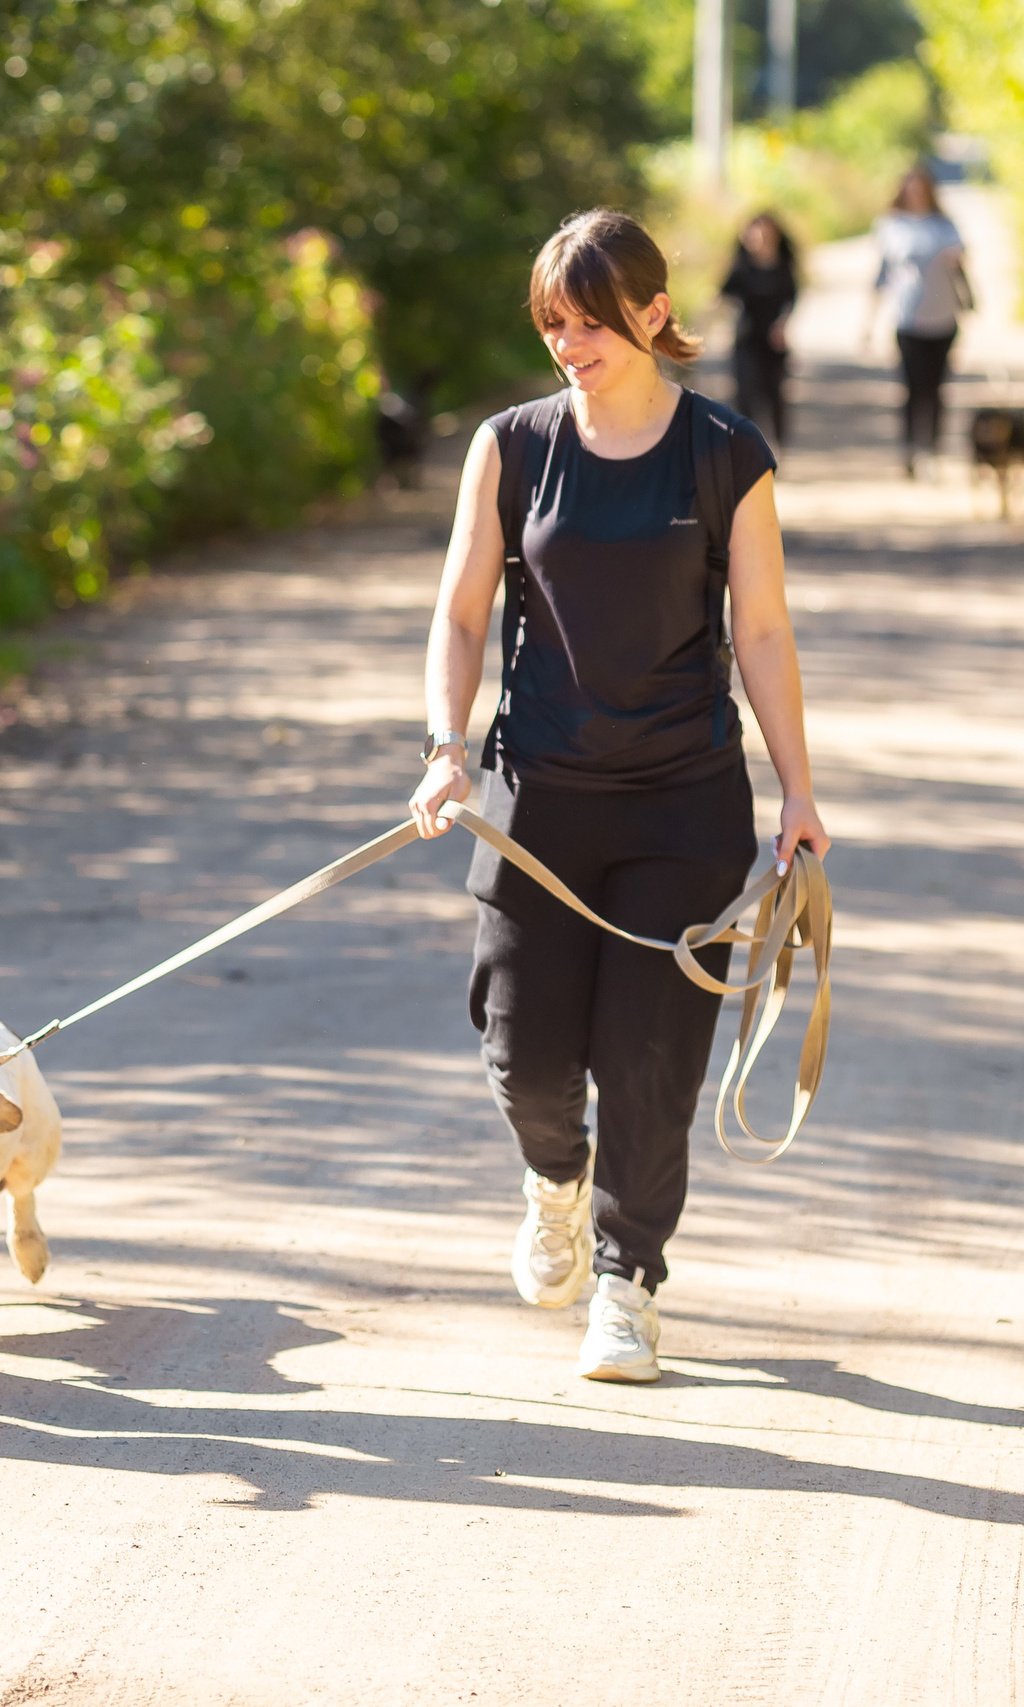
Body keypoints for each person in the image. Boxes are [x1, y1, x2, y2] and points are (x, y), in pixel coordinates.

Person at [410, 208, 830, 1383]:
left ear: (651, 312)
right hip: (538, 800)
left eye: (590, 321)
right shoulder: (512, 445)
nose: (568, 344)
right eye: (552, 323)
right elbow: (457, 612)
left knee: (648, 1059)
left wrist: (798, 790)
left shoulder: (724, 453)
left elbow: (760, 627)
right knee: (523, 1057)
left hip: (682, 802)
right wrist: (447, 745)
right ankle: (556, 1179)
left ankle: (627, 1281)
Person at [868, 169, 970, 476]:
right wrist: (869, 320)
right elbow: (881, 274)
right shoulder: (891, 226)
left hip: (943, 316)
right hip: (908, 319)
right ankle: (911, 449)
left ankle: (934, 449)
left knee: (936, 388)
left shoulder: (945, 225)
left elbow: (963, 260)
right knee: (911, 388)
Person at [719, 213, 798, 448]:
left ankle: (779, 444)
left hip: (774, 342)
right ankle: (749, 447)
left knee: (774, 395)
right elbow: (723, 296)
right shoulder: (741, 266)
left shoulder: (783, 266)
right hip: (745, 339)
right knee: (744, 394)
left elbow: (791, 298)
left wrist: (783, 323)